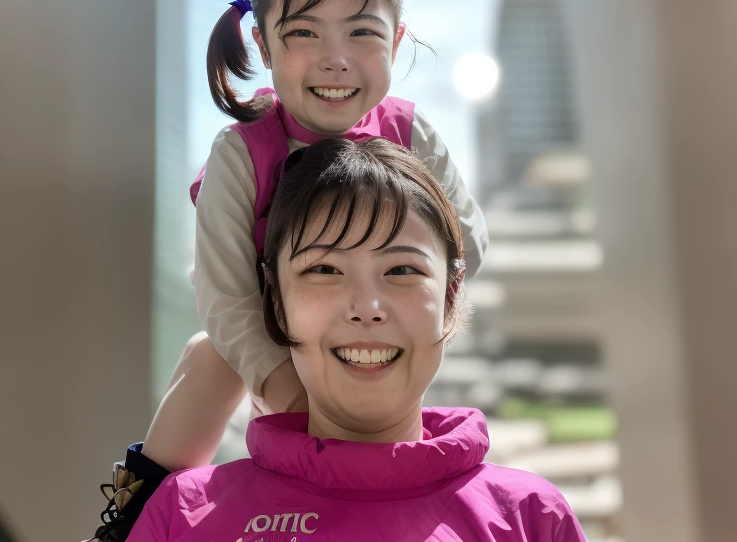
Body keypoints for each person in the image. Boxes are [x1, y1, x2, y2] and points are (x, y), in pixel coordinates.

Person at [88, 0, 488, 540]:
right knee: (208, 356)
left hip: (361, 329)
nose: (335, 58)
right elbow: (223, 291)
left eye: (362, 32)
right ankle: (139, 512)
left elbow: (466, 241)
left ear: (397, 41)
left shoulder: (411, 133)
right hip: (272, 333)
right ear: (264, 47)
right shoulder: (243, 153)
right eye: (303, 32)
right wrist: (280, 381)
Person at [126, 137, 587, 542]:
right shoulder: (182, 513)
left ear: (450, 294)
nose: (367, 306)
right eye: (324, 270)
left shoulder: (530, 518)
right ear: (274, 299)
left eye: (402, 270)